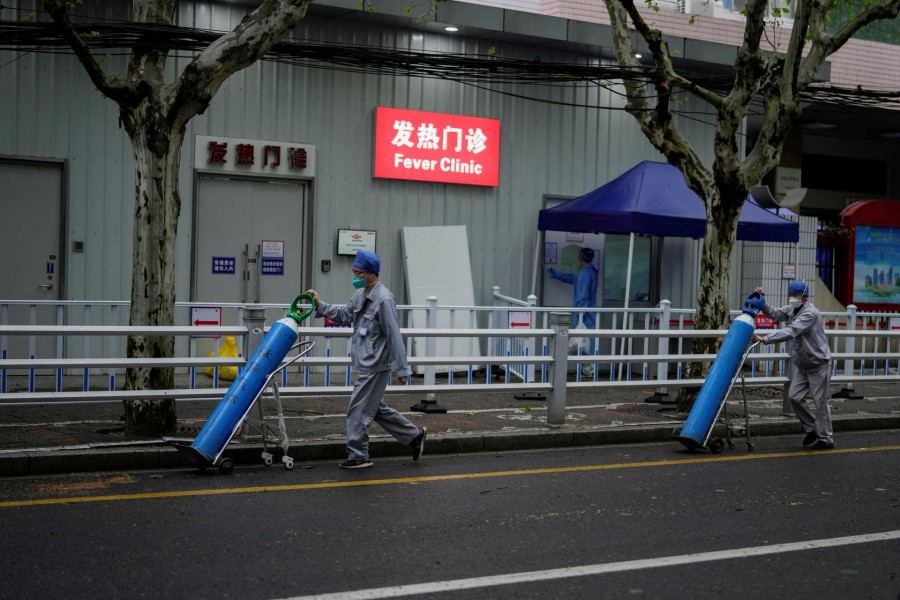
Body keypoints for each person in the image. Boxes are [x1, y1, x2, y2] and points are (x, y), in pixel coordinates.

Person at [306, 250, 426, 469]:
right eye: (354, 272)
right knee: (374, 408)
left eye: (358, 272)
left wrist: (402, 369)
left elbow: (393, 334)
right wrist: (319, 305)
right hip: (365, 363)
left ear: (371, 273)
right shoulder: (360, 294)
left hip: (376, 365)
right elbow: (344, 314)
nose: (355, 276)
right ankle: (414, 437)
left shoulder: (384, 299)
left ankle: (358, 455)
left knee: (357, 411)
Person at [753, 281, 834, 450]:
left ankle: (826, 439)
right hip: (803, 364)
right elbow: (775, 314)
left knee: (820, 403)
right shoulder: (792, 309)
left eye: (795, 295)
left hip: (818, 364)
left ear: (804, 297)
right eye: (790, 294)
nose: (792, 298)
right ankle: (812, 429)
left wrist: (766, 339)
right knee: (794, 397)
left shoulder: (810, 314)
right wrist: (762, 302)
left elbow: (792, 331)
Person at [549, 247, 599, 368]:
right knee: (585, 340)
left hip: (583, 314)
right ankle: (586, 368)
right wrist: (558, 275)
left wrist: (580, 315)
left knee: (584, 342)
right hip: (588, 312)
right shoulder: (590, 271)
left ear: (581, 257)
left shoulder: (585, 274)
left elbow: (582, 296)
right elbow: (573, 279)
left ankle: (588, 369)